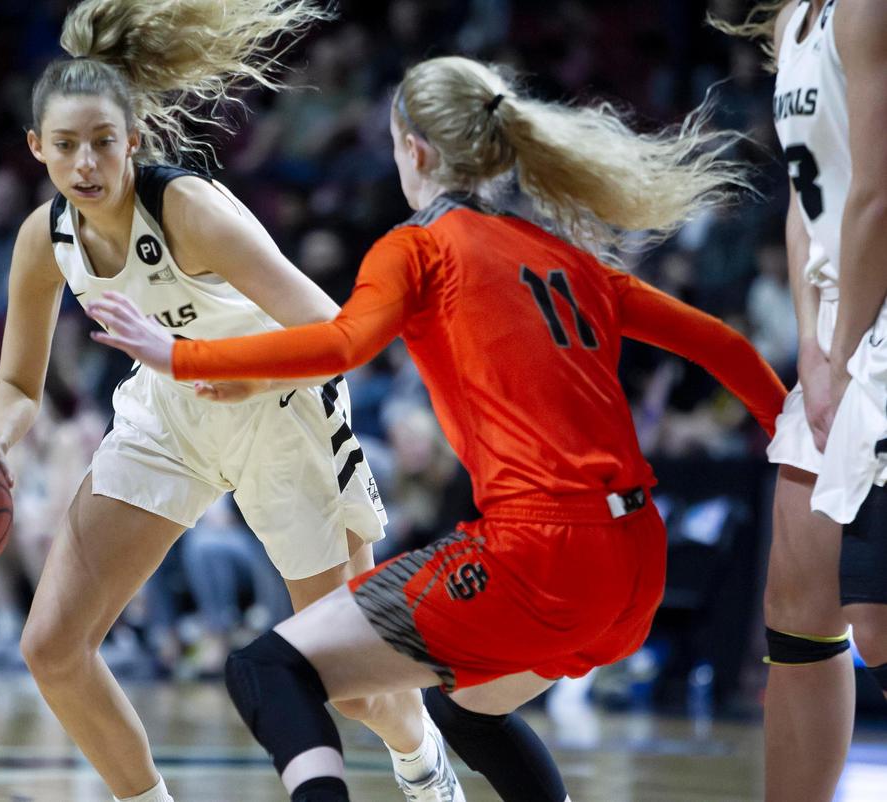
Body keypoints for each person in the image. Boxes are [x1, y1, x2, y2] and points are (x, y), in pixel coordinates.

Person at [86, 55, 790, 802]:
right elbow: (724, 345)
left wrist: (179, 354)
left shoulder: (419, 247)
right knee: (468, 711)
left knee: (267, 669)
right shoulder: (568, 255)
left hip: (541, 555)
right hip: (637, 564)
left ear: (413, 150)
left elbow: (341, 345)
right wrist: (792, 429)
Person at [0, 2, 463, 801]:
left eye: (103, 142)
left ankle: (422, 757)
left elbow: (336, 327)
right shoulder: (44, 240)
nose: (86, 163)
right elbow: (15, 384)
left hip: (279, 406)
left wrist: (242, 373)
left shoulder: (188, 210)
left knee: (352, 687)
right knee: (51, 646)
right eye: (67, 145)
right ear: (37, 148)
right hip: (169, 411)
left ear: (134, 139)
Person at [714, 2, 887, 800]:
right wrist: (813, 352)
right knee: (798, 599)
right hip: (839, 332)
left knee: (878, 627)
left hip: (877, 329)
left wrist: (847, 354)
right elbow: (802, 200)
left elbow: (878, 196)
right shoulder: (794, 23)